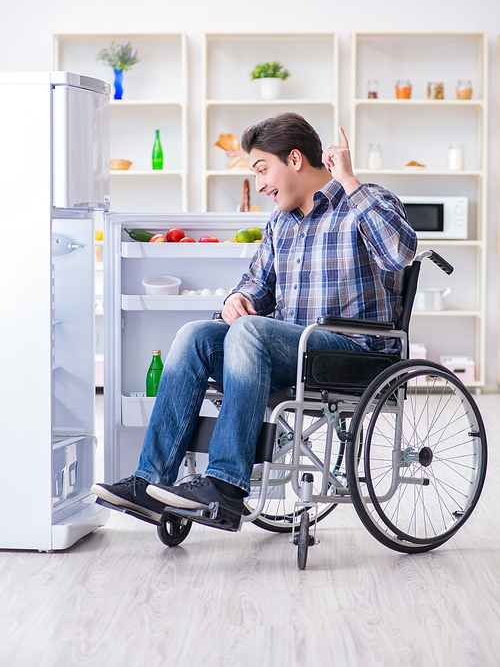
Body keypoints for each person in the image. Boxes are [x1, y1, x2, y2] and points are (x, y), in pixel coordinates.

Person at [92, 113, 418, 528]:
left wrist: (350, 181)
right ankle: (149, 482)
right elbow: (253, 286)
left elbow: (400, 253)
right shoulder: (281, 223)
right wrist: (237, 299)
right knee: (195, 334)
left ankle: (226, 486)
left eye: (263, 169)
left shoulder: (364, 200)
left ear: (295, 159)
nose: (260, 184)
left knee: (249, 331)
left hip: (355, 356)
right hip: (294, 353)